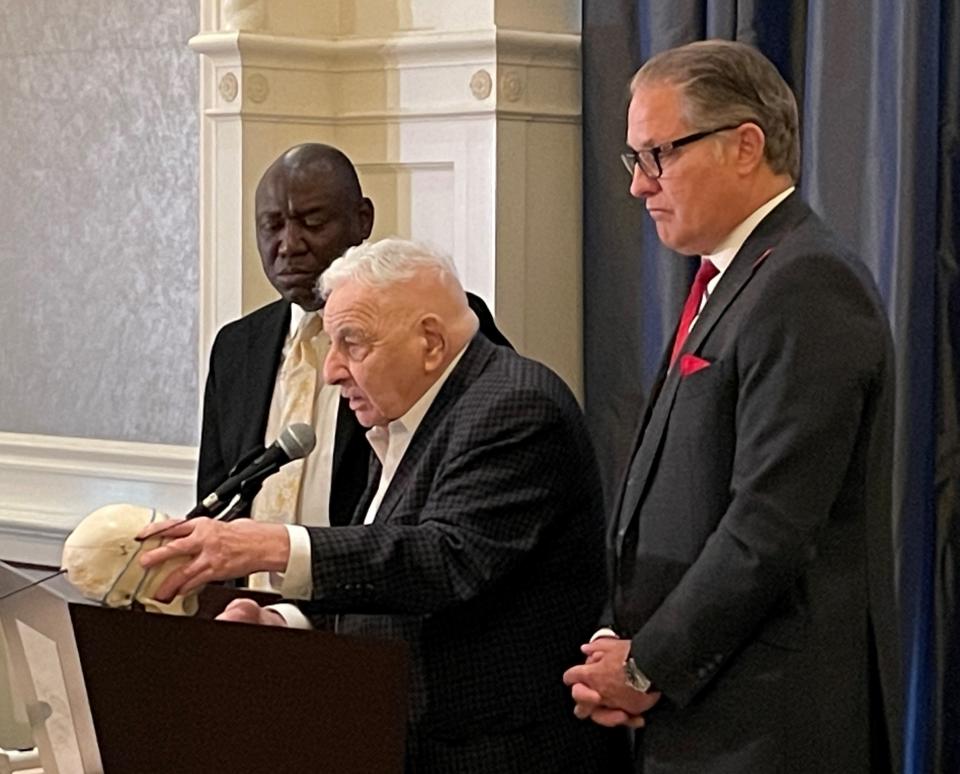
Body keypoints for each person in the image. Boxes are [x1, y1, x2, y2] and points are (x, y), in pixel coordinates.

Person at [139, 238, 629, 772]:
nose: (331, 370)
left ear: (431, 343)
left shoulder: (514, 405)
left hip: (497, 754)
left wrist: (272, 545)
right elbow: (380, 578)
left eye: (352, 343)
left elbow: (445, 560)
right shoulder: (405, 416)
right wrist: (282, 622)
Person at [563, 40, 901, 774]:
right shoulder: (738, 276)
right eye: (634, 160)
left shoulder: (807, 284)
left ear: (746, 145)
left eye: (659, 155)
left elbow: (768, 527)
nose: (638, 186)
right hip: (703, 711)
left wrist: (646, 665)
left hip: (770, 727)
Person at [198, 144, 510, 591]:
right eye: (272, 225)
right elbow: (217, 499)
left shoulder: (435, 326)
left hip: (366, 609)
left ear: (362, 220)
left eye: (312, 222)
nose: (288, 245)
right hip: (250, 618)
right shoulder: (237, 346)